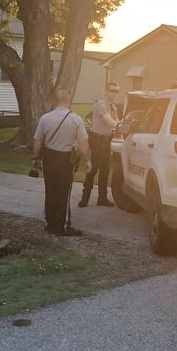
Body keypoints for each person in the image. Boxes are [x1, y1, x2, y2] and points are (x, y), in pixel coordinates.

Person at [32, 88, 89, 236]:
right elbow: (83, 144)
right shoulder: (76, 119)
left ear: (55, 101)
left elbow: (38, 141)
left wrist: (35, 158)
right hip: (66, 159)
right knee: (64, 193)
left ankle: (50, 224)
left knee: (50, 191)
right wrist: (88, 160)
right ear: (69, 101)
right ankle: (63, 226)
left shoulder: (45, 118)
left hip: (49, 158)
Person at [79, 81, 122, 207]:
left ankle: (102, 199)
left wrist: (123, 124)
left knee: (105, 171)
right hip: (97, 140)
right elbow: (110, 121)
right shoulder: (101, 104)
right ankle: (84, 199)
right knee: (92, 170)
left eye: (117, 91)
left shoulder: (113, 105)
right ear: (106, 91)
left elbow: (117, 120)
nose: (114, 93)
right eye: (112, 90)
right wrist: (122, 127)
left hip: (106, 140)